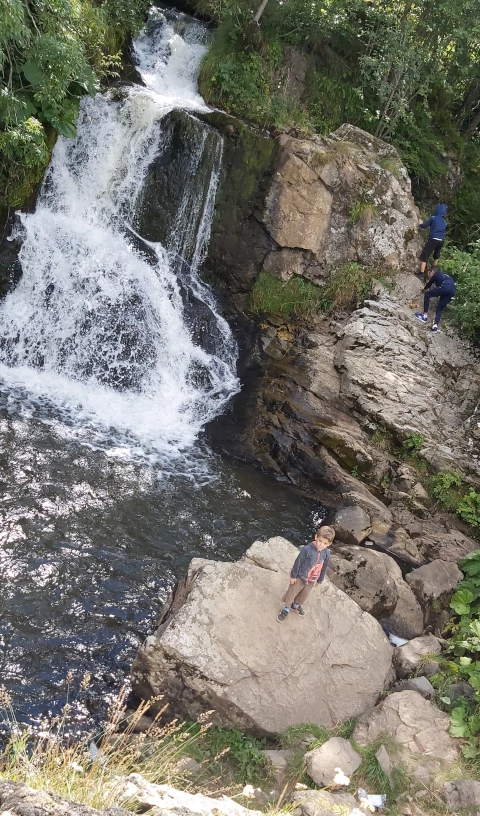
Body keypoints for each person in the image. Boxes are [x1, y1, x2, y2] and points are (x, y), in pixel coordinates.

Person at [277, 525, 335, 623]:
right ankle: (286, 608)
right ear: (316, 537)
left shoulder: (326, 553)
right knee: (292, 592)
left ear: (329, 544)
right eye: (320, 541)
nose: (321, 544)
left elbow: (324, 567)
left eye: (325, 543)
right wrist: (293, 576)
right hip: (300, 577)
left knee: (304, 594)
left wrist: (320, 580)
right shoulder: (307, 550)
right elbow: (298, 562)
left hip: (312, 579)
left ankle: (295, 605)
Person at [415, 266, 456, 332]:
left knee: (427, 295)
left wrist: (424, 289)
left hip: (444, 287)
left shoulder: (436, 274)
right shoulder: (446, 276)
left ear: (433, 272)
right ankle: (435, 326)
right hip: (452, 291)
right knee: (440, 308)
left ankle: (424, 316)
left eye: (430, 272)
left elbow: (429, 283)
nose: (430, 275)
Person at [417, 204, 448, 278]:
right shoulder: (444, 222)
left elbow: (425, 226)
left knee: (425, 255)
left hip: (433, 239)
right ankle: (434, 272)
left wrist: (420, 224)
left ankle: (421, 273)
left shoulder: (433, 218)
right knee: (436, 255)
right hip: (441, 240)